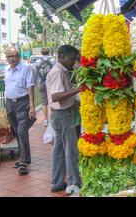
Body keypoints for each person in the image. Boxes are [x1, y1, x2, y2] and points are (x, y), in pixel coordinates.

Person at [46, 45, 81, 195]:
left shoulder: (61, 71)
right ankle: (73, 183)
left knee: (59, 149)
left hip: (60, 114)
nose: (73, 62)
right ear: (61, 57)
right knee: (70, 149)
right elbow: (56, 96)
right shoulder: (58, 72)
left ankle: (57, 182)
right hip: (62, 115)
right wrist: (78, 90)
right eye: (71, 59)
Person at [4, 46, 37, 175]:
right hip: (9, 104)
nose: (11, 59)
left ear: (18, 56)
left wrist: (32, 106)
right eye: (8, 57)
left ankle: (23, 161)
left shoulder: (26, 68)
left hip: (22, 102)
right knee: (17, 131)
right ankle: (24, 158)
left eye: (13, 56)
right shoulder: (6, 69)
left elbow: (30, 86)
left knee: (22, 130)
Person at [34, 48, 56, 127]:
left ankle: (45, 120)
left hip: (41, 83)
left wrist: (36, 81)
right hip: (51, 83)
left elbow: (35, 72)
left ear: (41, 53)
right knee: (53, 100)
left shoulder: (37, 61)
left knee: (44, 102)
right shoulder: (53, 60)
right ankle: (53, 119)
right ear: (49, 52)